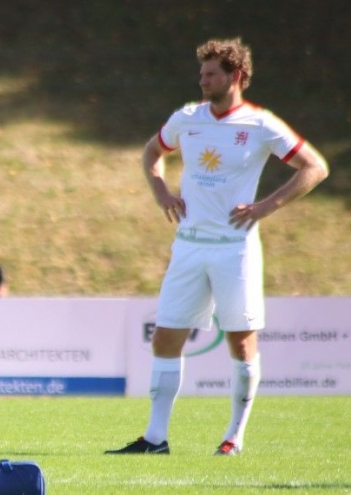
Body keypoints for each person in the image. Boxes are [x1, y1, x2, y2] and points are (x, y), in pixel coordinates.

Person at [108, 37, 329, 457]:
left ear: (236, 76)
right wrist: (161, 192)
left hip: (234, 248)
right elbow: (152, 152)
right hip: (189, 246)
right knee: (165, 339)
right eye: (202, 73)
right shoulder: (187, 118)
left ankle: (234, 437)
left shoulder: (261, 124)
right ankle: (155, 439)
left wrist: (266, 206)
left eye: (211, 74)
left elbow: (315, 167)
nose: (202, 80)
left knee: (241, 343)